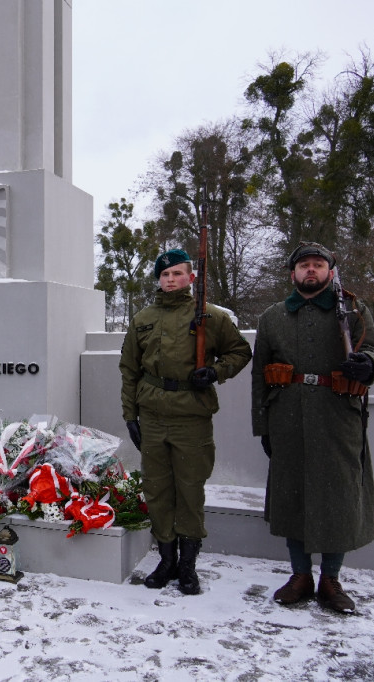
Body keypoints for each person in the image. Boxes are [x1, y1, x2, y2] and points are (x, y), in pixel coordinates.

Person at [251, 241, 374, 614]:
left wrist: (367, 366)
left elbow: (373, 352)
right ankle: (300, 576)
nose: (312, 270)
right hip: (287, 417)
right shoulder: (272, 317)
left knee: (338, 497)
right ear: (293, 273)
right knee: (292, 495)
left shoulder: (354, 312)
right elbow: (260, 375)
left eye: (318, 265)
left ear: (330, 271)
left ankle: (330, 579)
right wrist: (263, 426)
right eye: (304, 265)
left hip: (338, 417)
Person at [119, 249, 251, 595]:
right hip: (152, 414)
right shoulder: (143, 318)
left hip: (191, 416)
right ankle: (167, 559)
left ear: (191, 278)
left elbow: (240, 352)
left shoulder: (211, 316)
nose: (170, 280)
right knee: (158, 490)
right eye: (164, 275)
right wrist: (130, 415)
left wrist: (216, 372)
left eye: (177, 274)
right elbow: (130, 370)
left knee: (190, 490)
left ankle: (188, 565)